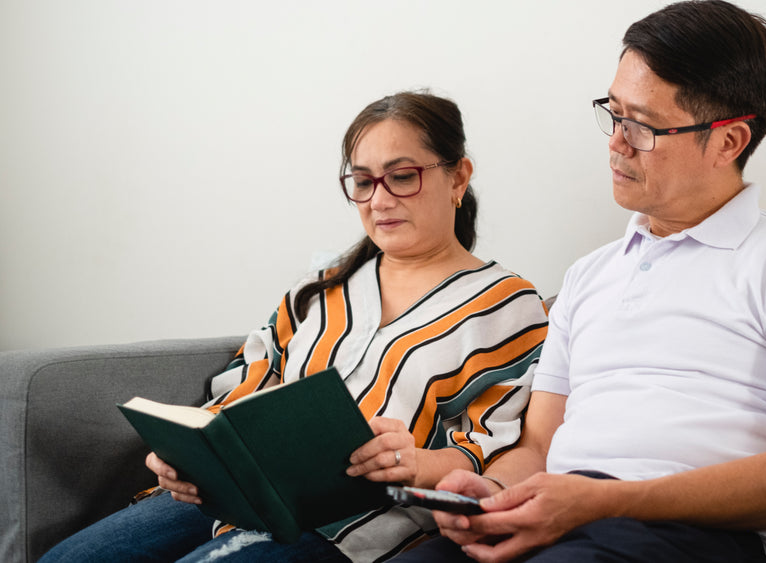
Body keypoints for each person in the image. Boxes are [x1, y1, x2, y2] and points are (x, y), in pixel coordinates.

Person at [391, 2, 766, 562]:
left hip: (696, 537)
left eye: (641, 126)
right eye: (613, 114)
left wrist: (603, 502)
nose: (616, 142)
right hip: (567, 524)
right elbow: (541, 445)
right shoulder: (590, 274)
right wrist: (496, 495)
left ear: (729, 142)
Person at [39, 91, 549, 563]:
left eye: (402, 175)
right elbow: (251, 375)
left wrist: (417, 461)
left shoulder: (508, 304)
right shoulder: (324, 285)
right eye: (363, 180)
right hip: (232, 491)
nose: (379, 199)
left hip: (355, 519)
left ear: (458, 177)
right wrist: (189, 456)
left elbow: (497, 445)